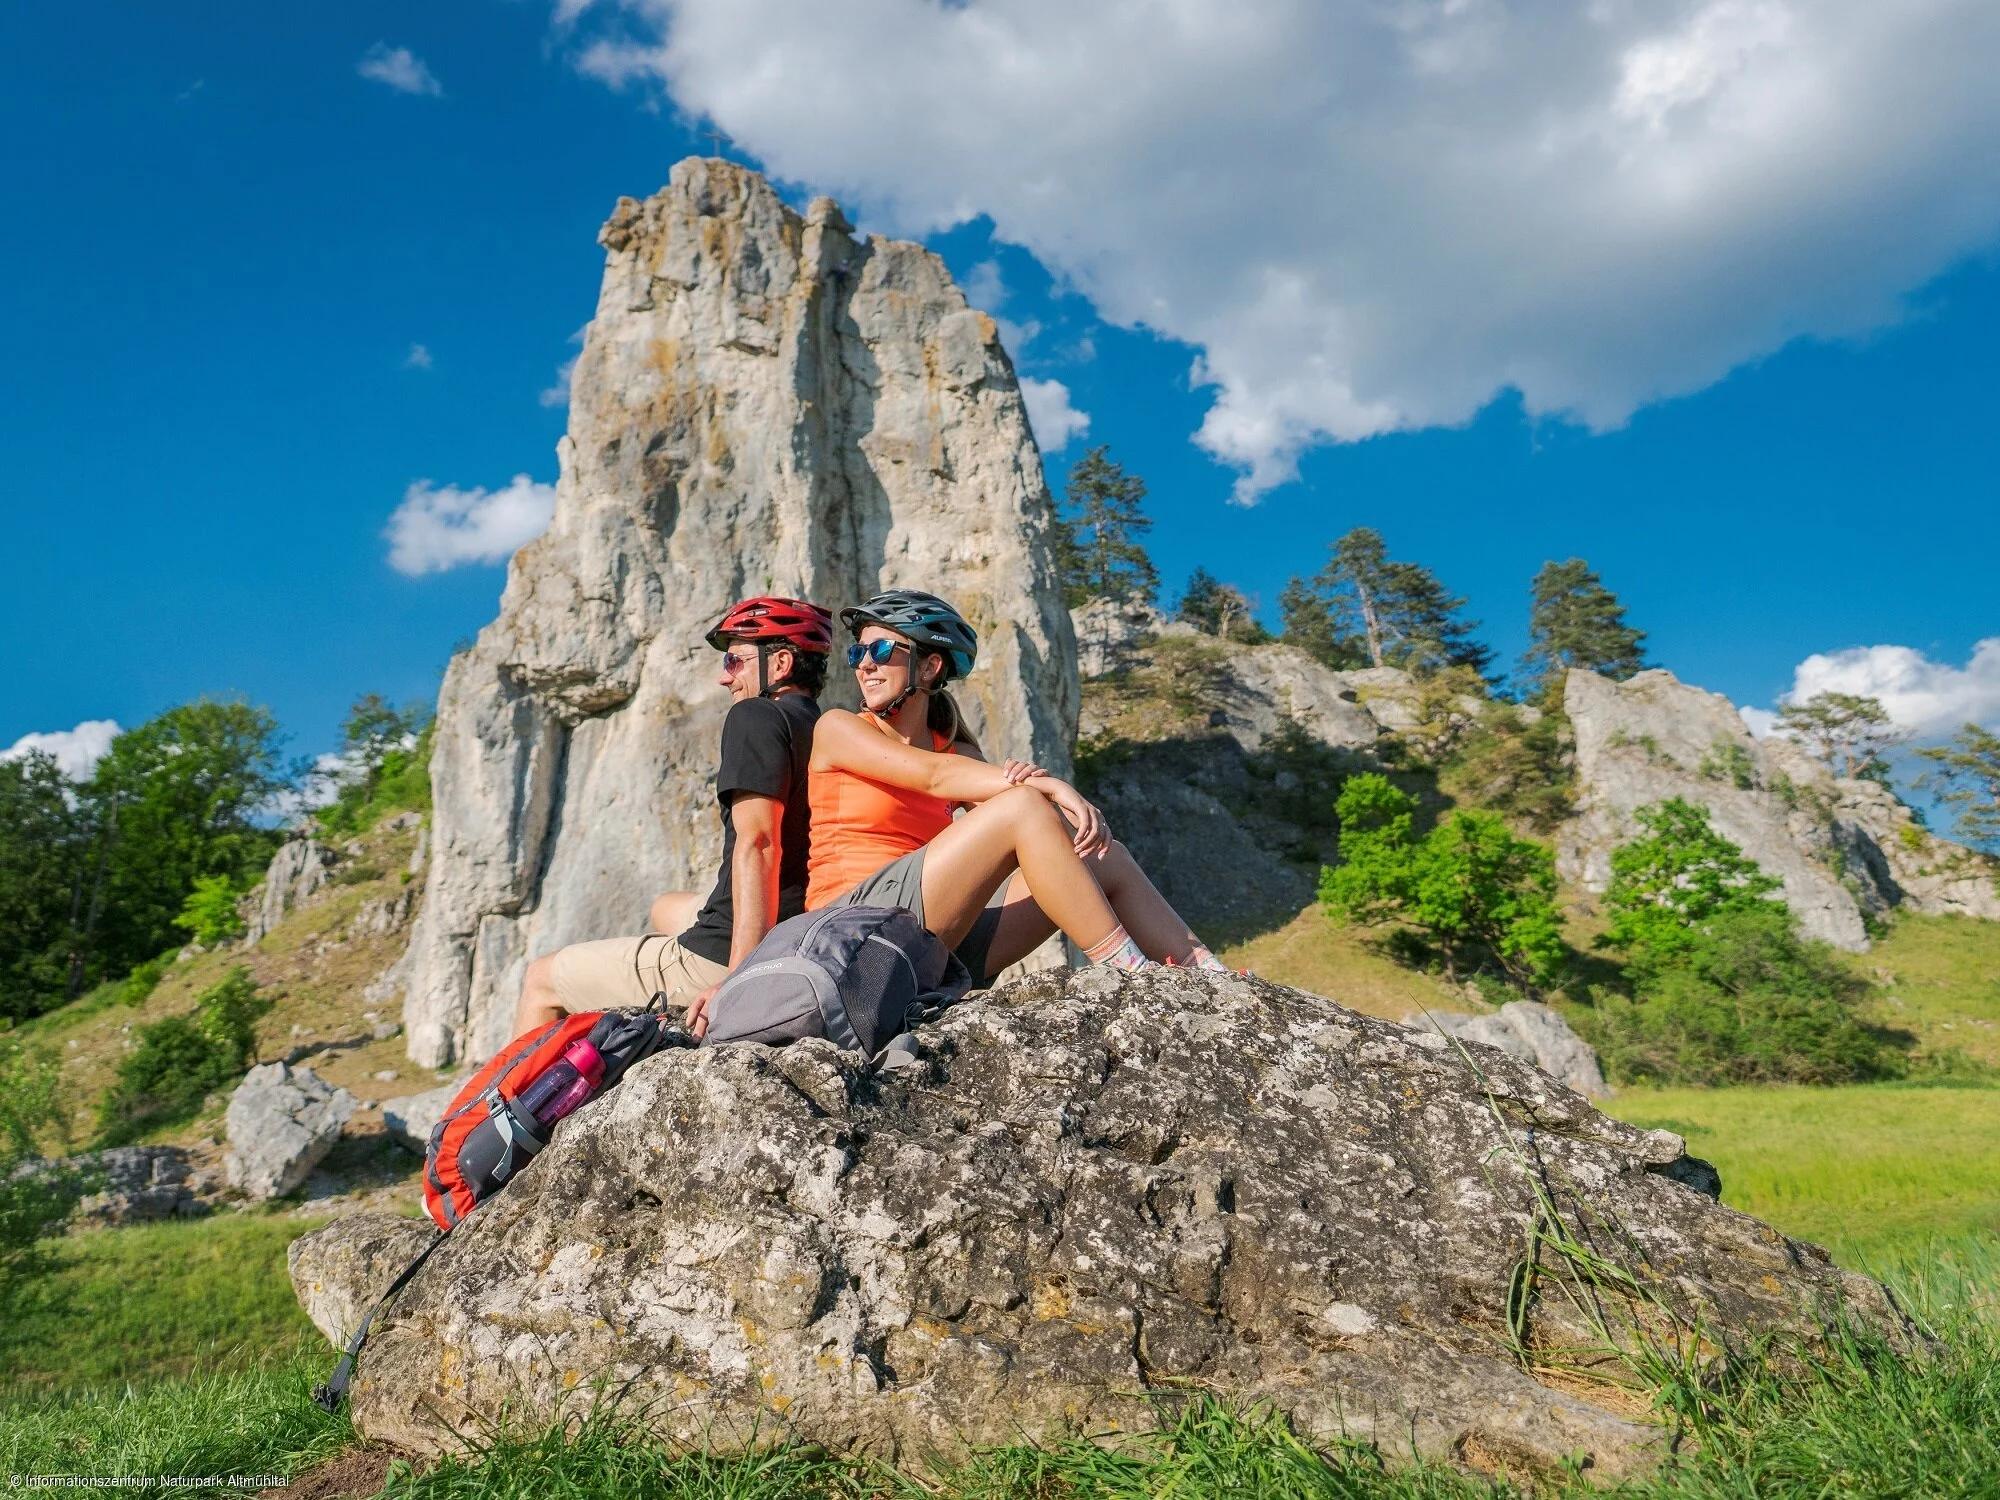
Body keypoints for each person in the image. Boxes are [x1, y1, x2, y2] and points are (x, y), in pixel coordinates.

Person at [805, 589, 1231, 982]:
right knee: (1024, 806)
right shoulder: (838, 729)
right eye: (858, 651)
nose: (864, 664)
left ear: (930, 666)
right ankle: (1130, 972)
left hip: (925, 935)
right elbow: (933, 776)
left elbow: (1036, 830)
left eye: (879, 650)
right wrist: (1052, 787)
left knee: (1102, 856)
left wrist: (1059, 813)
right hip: (852, 928)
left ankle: (1214, 980)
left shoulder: (956, 753)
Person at [511, 596, 833, 1040]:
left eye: (735, 661)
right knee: (664, 907)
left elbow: (759, 844)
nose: (725, 677)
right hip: (798, 926)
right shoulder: (830, 728)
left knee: (541, 979)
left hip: (727, 952)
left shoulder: (756, 715)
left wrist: (739, 978)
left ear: (779, 664)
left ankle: (498, 1108)